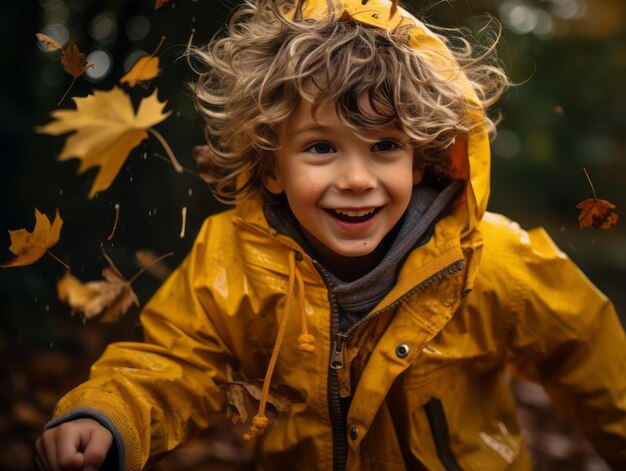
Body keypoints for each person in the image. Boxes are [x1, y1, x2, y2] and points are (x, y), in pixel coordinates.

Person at [35, 0, 626, 470]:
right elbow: (173, 359)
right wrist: (107, 414)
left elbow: (593, 358)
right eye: (321, 148)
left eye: (385, 147)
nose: (356, 179)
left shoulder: (489, 261)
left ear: (420, 159)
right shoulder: (236, 259)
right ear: (271, 165)